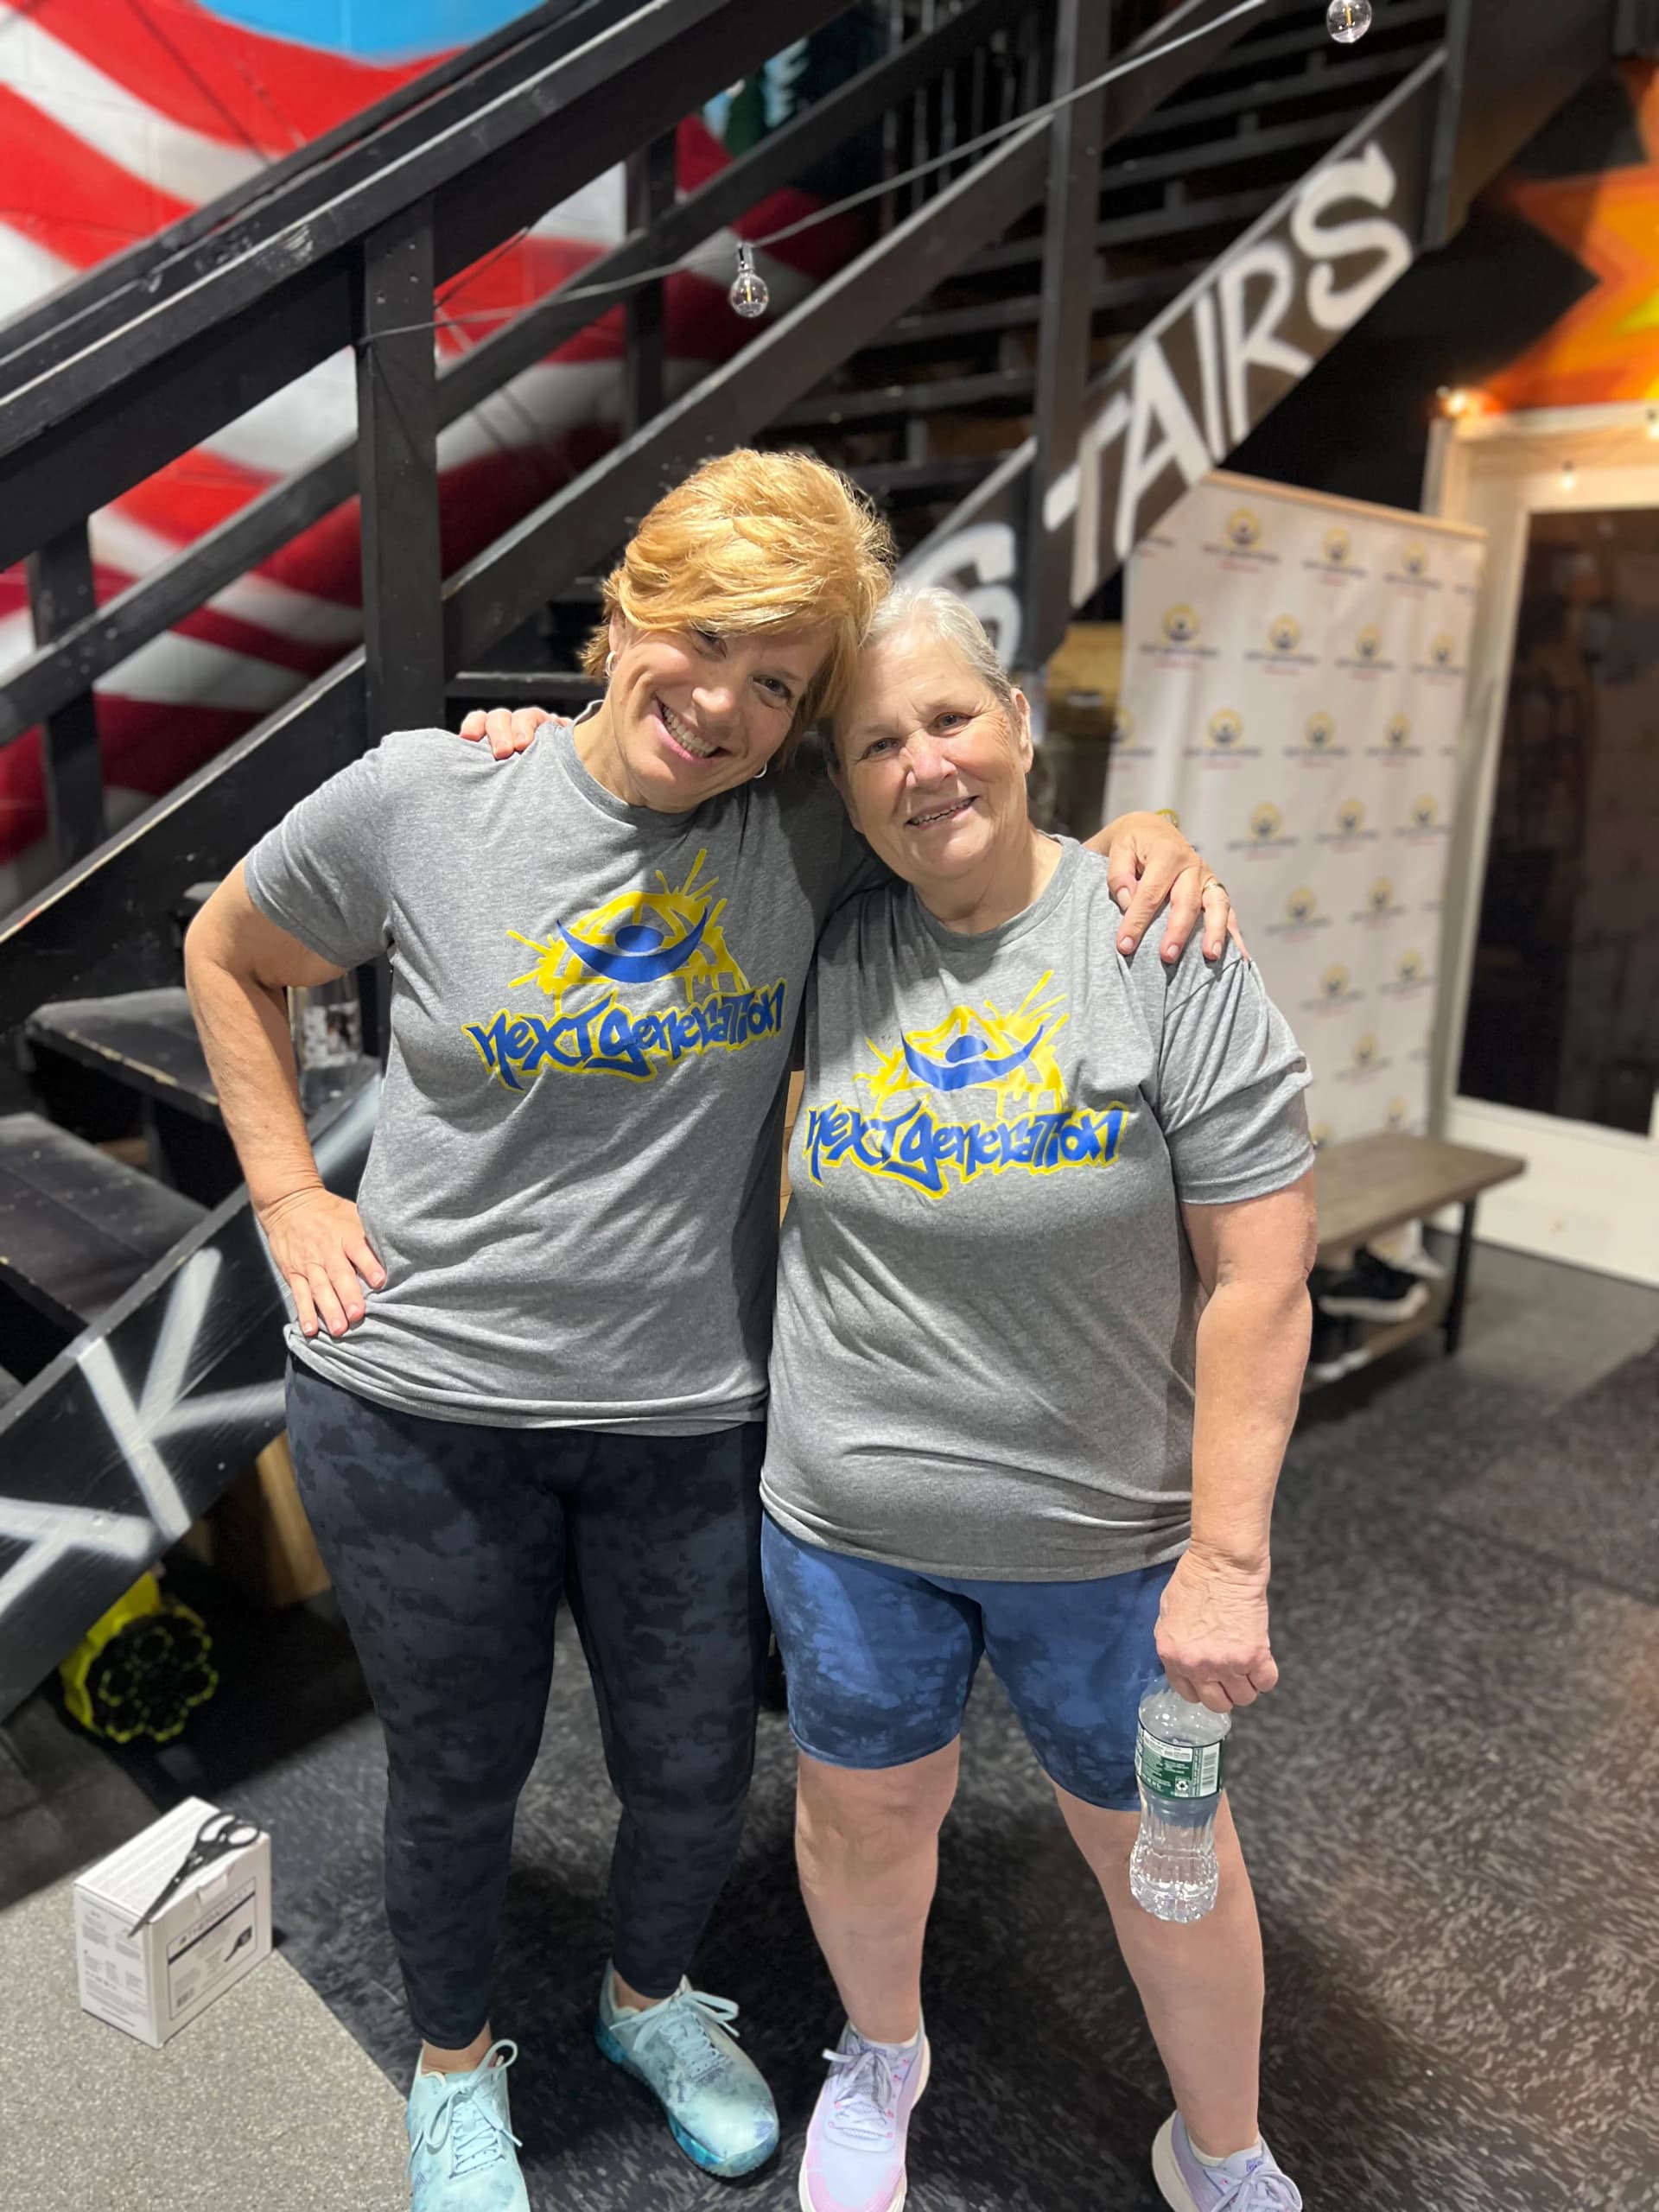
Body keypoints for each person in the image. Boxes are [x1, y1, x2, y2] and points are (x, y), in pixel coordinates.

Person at [183, 448, 1235, 2212]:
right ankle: (455, 2073)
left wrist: (1144, 830)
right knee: (461, 1763)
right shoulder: (421, 797)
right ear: (625, 615)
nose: (726, 703)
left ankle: (648, 1997)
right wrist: (291, 1193)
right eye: (704, 643)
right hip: (419, 1402)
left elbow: (972, 808)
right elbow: (231, 952)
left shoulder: (800, 824)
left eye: (777, 683)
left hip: (686, 1411)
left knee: (691, 1762)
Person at [758, 586, 1317, 2212]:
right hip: (854, 1525)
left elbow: (1262, 1280)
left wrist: (1228, 1559)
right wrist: (516, 740)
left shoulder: (1159, 942)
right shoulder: (828, 934)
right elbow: (642, 816)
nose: (923, 765)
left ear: (1015, 724)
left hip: (1112, 1543)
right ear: (844, 787)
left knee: (1168, 1858)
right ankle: (884, 2054)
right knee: (866, 1819)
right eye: (876, 742)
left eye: (949, 720)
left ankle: (1220, 2146)